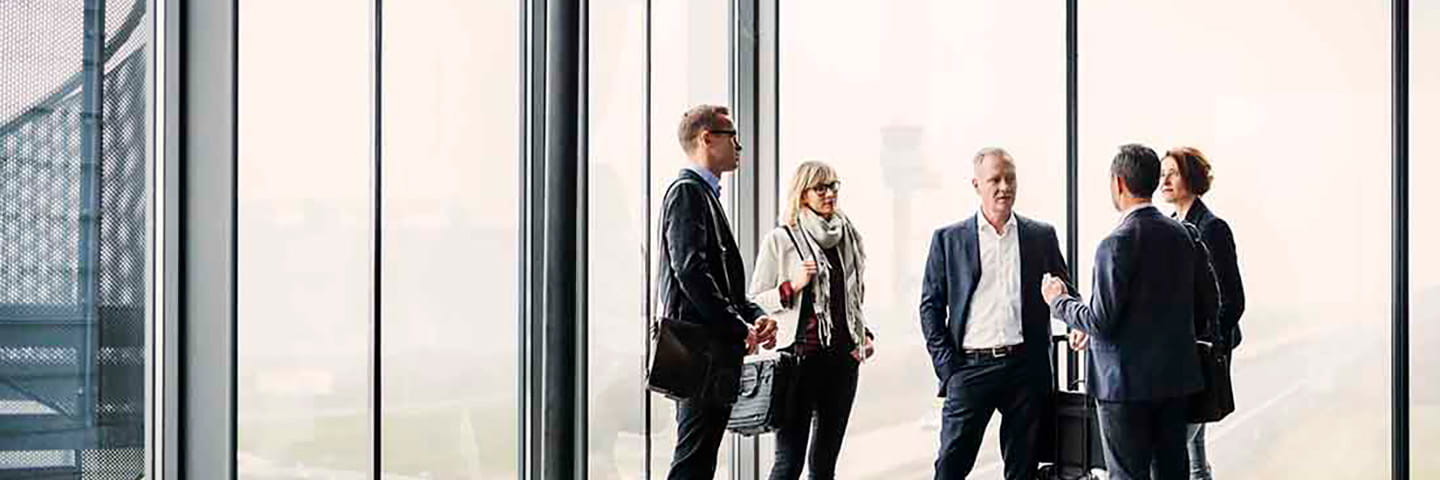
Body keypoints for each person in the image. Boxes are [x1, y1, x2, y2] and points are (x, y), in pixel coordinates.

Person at [1042, 144, 1204, 480]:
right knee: (1173, 473)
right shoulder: (1184, 235)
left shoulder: (1115, 243)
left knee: (1128, 475)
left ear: (1118, 183)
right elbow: (1204, 302)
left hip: (1124, 388)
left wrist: (1058, 301)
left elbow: (1101, 320)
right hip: (1175, 380)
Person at [919, 148, 1070, 480]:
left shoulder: (1040, 236)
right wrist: (948, 369)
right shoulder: (948, 239)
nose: (1004, 187)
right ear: (977, 185)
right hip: (970, 369)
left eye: (1010, 178)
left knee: (1023, 469)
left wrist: (1073, 318)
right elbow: (930, 307)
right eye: (995, 180)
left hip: (1025, 370)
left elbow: (1064, 289)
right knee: (950, 466)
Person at [657, 104, 778, 479]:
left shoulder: (704, 195)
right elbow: (691, 272)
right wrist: (738, 327)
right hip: (699, 354)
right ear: (707, 139)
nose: (739, 146)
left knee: (701, 457)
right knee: (693, 460)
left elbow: (724, 284)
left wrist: (756, 317)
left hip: (711, 354)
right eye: (732, 137)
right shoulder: (687, 193)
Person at [749, 161, 875, 480]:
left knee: (824, 465)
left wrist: (864, 335)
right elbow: (755, 298)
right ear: (803, 195)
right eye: (821, 188)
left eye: (834, 186)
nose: (830, 193)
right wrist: (793, 284)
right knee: (788, 464)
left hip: (843, 361)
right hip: (801, 362)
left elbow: (850, 300)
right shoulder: (781, 239)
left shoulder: (848, 236)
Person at [1160, 147, 1245, 480]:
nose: (1164, 180)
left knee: (1177, 446)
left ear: (1191, 178)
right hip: (1180, 355)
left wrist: (1206, 346)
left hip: (1201, 355)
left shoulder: (1212, 228)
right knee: (1194, 454)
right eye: (1162, 173)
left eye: (1173, 173)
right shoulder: (1168, 226)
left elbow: (1233, 300)